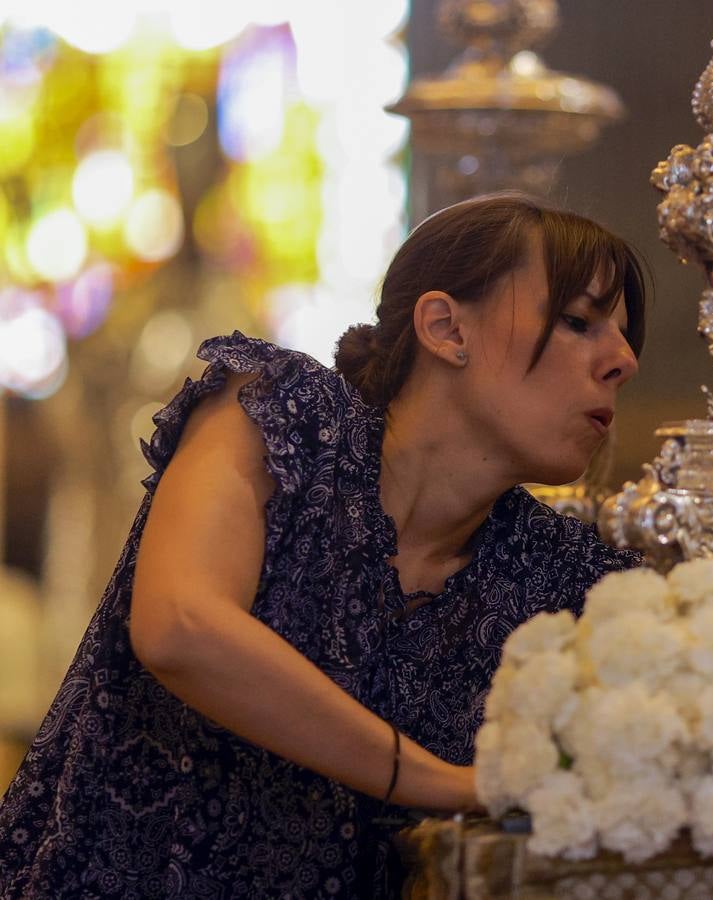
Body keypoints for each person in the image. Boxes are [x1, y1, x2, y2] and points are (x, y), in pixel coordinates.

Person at [0, 192, 647, 898]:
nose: (623, 360)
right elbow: (179, 627)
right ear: (445, 328)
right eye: (580, 321)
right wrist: (450, 785)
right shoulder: (280, 417)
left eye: (624, 334)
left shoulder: (574, 578)